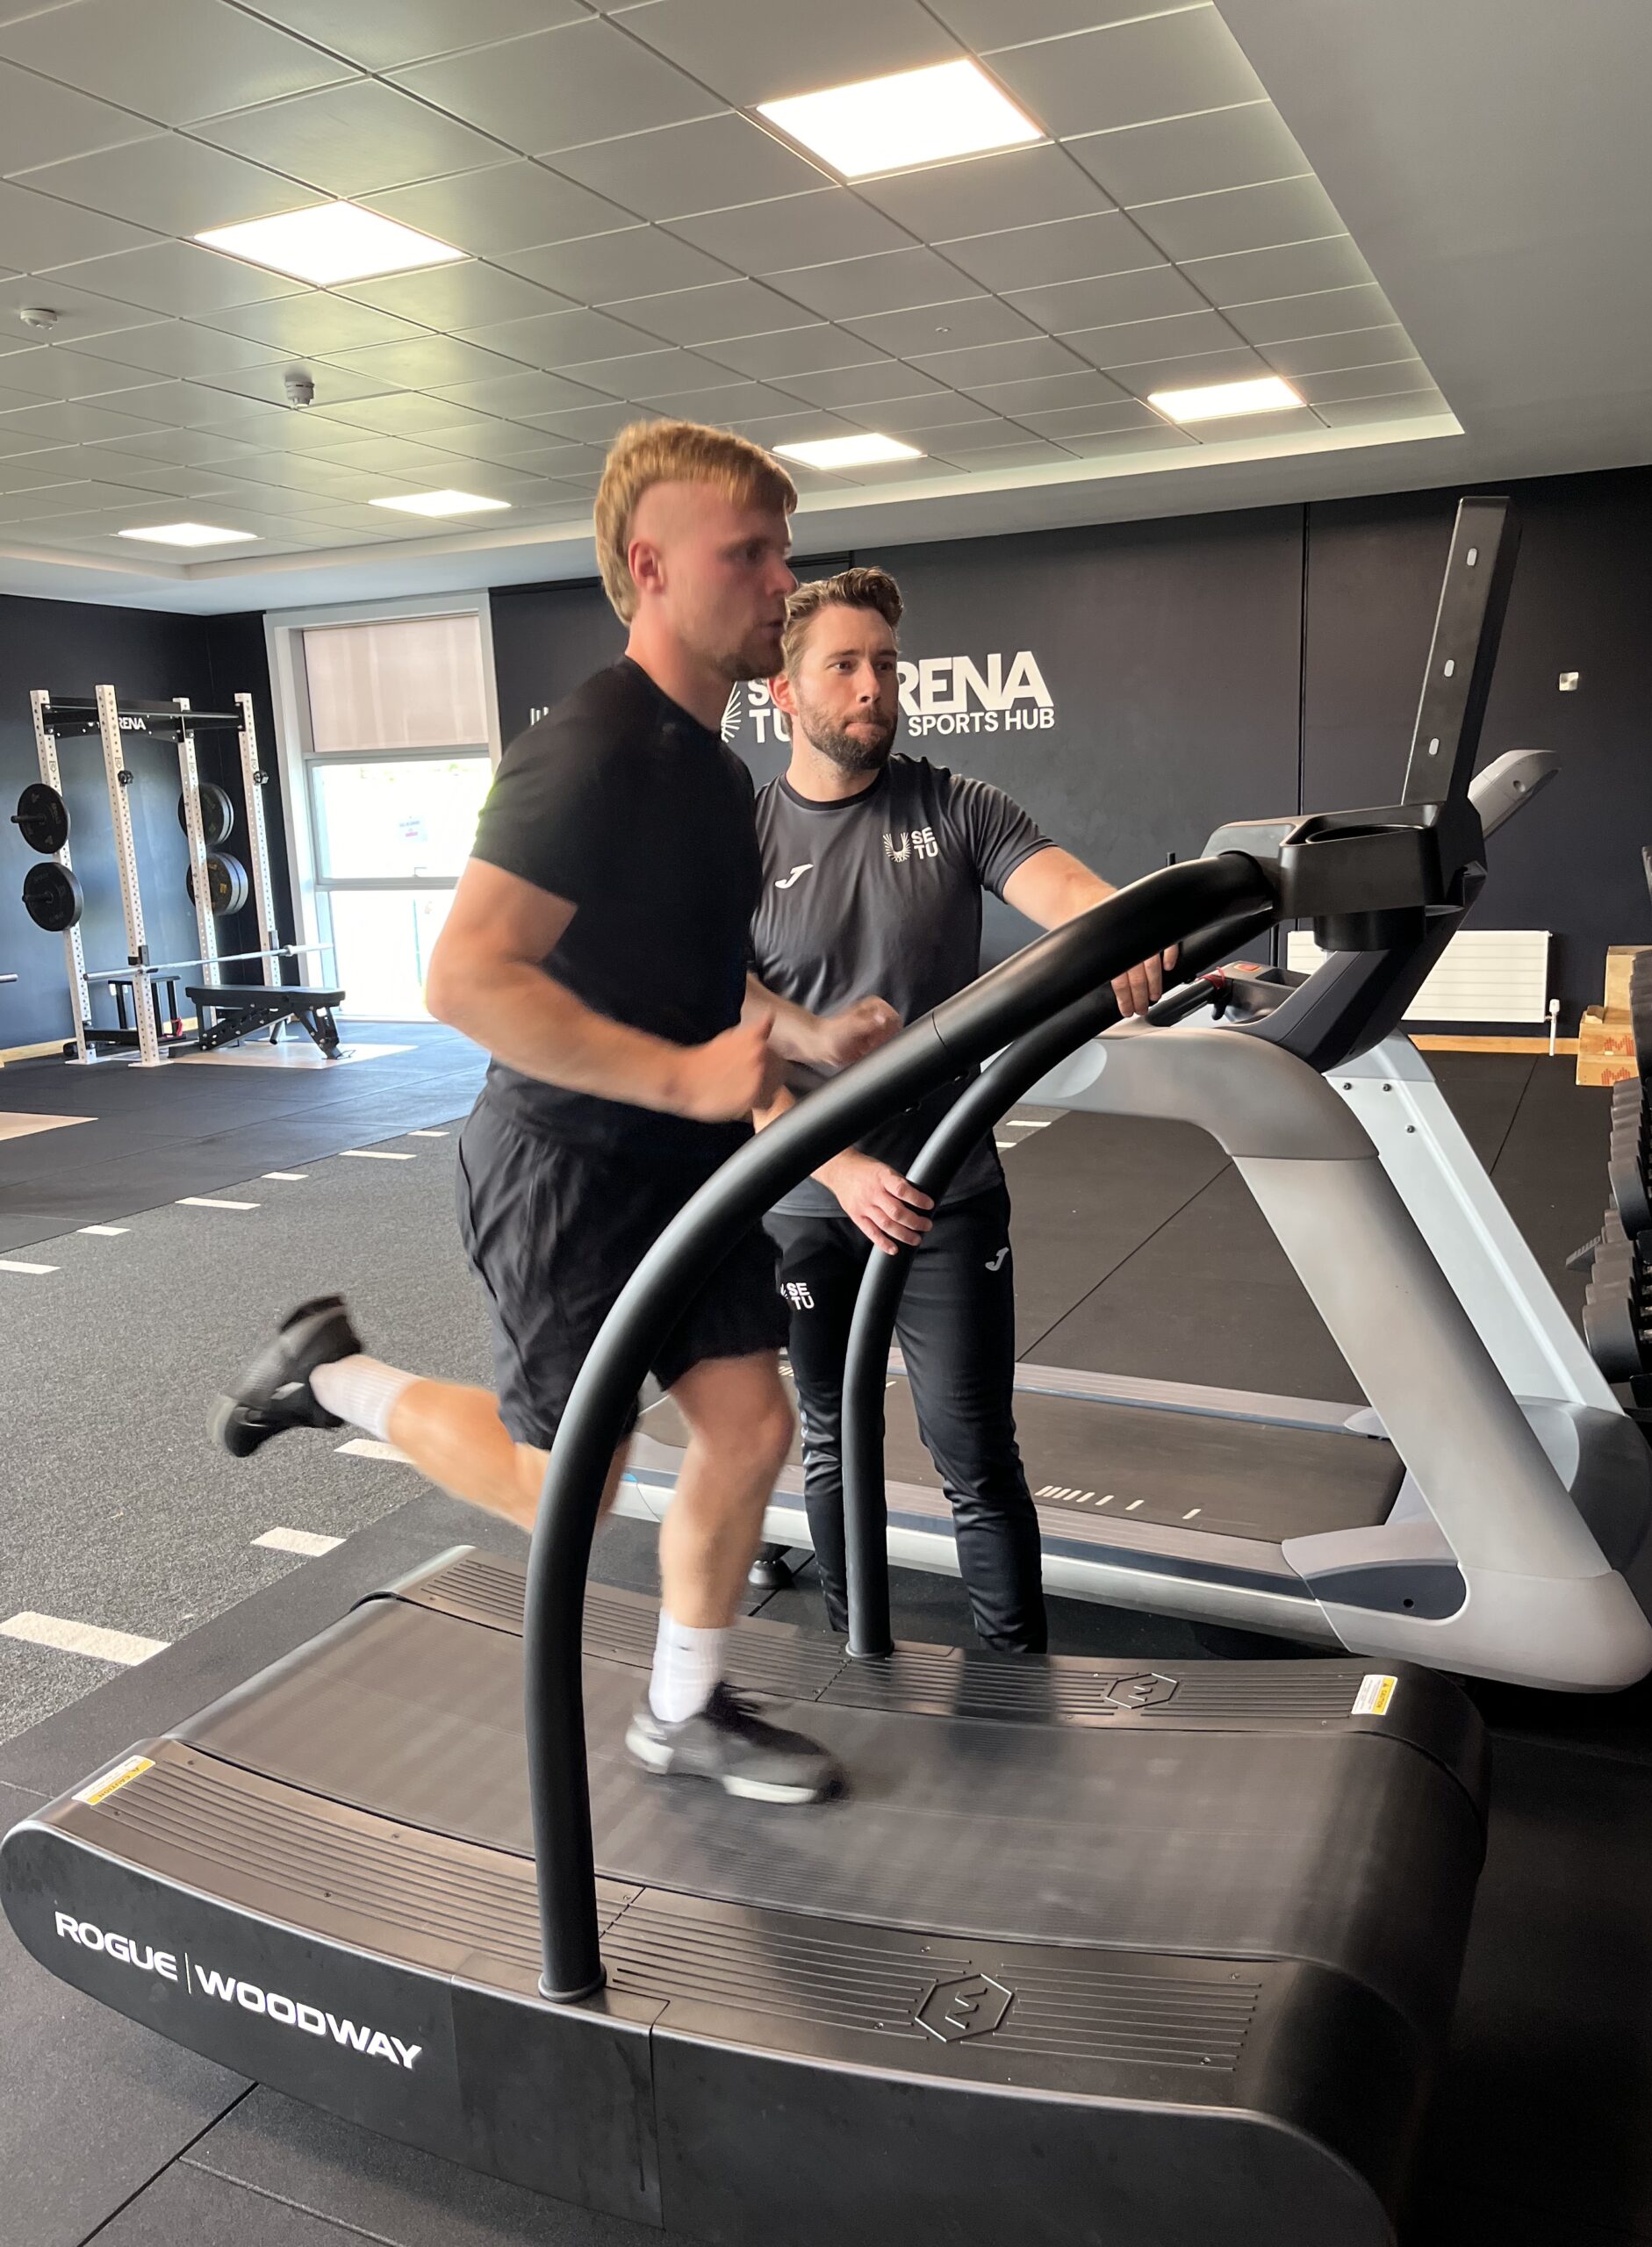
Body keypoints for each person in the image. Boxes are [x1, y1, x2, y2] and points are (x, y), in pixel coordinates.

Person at [211, 422, 899, 1805]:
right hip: (565, 1168)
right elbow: (466, 976)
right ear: (650, 569)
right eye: (747, 555)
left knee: (750, 1428)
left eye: (783, 554)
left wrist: (799, 1030)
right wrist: (683, 1074)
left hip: (677, 1159)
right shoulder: (588, 751)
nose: (780, 583)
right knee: (570, 1494)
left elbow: (693, 965)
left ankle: (685, 1711)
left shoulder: (708, 769)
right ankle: (328, 1374)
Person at [751, 566, 1172, 1655]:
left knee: (975, 1450)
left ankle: (1014, 1668)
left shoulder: (955, 807)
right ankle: (859, 1660)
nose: (872, 688)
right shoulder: (742, 846)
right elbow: (733, 1053)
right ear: (784, 691)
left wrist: (1132, 932)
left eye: (885, 665)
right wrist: (839, 1169)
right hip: (810, 1194)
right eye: (843, 666)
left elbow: (1073, 896)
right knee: (833, 1442)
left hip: (950, 1189)